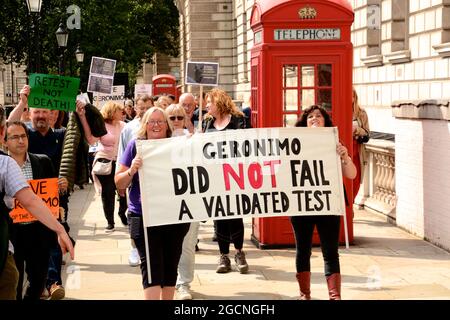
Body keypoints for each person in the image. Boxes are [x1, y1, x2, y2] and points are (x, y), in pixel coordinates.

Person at [0, 106, 74, 300]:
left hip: (38, 232)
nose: (21, 140)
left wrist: (60, 191)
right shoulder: (5, 165)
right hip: (13, 234)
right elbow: (28, 199)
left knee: (38, 281)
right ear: (5, 141)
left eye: (23, 136)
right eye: (14, 137)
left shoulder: (43, 161)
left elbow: (44, 199)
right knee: (13, 281)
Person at [115, 107, 190, 300]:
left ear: (167, 125)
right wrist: (131, 170)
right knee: (151, 266)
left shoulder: (178, 145)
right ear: (145, 125)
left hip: (174, 216)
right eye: (151, 121)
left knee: (170, 266)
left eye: (160, 121)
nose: (156, 125)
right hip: (143, 215)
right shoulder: (135, 146)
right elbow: (119, 182)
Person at [292, 105, 356, 300]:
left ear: (326, 122)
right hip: (301, 204)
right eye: (310, 116)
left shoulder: (335, 143)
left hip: (328, 203)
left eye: (319, 116)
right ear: (304, 123)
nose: (314, 118)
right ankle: (305, 294)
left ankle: (334, 296)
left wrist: (344, 156)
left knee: (331, 251)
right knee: (303, 250)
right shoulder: (294, 145)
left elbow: (351, 174)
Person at [202, 88, 251, 274]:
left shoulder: (238, 120)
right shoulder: (208, 122)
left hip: (235, 175)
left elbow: (248, 145)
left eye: (209, 102)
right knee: (220, 216)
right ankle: (223, 256)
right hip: (215, 176)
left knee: (235, 216)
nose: (207, 106)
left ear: (219, 102)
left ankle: (239, 252)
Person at [166, 103, 199, 300]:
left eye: (181, 117)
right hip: (166, 200)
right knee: (168, 245)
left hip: (190, 199)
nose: (177, 121)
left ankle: (184, 283)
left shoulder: (194, 139)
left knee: (188, 244)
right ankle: (169, 280)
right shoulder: (156, 141)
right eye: (173, 117)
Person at [78, 101, 127, 232]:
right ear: (112, 112)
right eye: (118, 110)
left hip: (121, 162)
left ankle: (123, 213)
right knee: (108, 192)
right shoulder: (102, 125)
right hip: (105, 162)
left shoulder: (123, 125)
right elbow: (90, 139)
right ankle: (110, 221)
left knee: (123, 190)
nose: (122, 112)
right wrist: (83, 118)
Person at [116, 94, 153, 267]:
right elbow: (122, 153)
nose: (144, 111)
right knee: (136, 216)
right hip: (135, 177)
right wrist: (122, 182)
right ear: (136, 108)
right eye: (141, 108)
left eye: (148, 108)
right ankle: (134, 248)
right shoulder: (129, 129)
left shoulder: (159, 124)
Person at [351, 88, 370, 202]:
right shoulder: (337, 110)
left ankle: (350, 207)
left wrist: (357, 129)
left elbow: (367, 134)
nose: (350, 98)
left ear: (355, 98)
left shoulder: (361, 113)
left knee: (356, 182)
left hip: (357, 152)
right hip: (342, 152)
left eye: (352, 96)